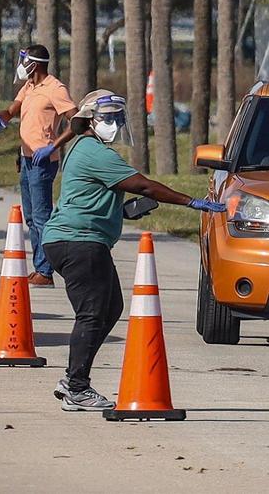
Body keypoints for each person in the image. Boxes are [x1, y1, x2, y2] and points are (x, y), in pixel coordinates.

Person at [43, 90, 226, 411]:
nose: (114, 124)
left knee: (110, 308)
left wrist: (122, 211)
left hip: (79, 240)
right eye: (107, 118)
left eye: (117, 118)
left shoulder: (84, 149)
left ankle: (73, 379)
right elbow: (143, 185)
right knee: (92, 313)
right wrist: (191, 201)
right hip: (79, 241)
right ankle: (76, 387)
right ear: (89, 121)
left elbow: (91, 196)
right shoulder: (94, 152)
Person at [0, 45, 76, 286]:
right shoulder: (29, 86)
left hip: (43, 161)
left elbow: (77, 121)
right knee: (30, 217)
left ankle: (46, 272)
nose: (21, 64)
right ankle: (40, 266)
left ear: (34, 64)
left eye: (24, 60)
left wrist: (53, 146)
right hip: (27, 158)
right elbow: (11, 110)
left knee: (41, 216)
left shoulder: (55, 88)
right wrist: (0, 117)